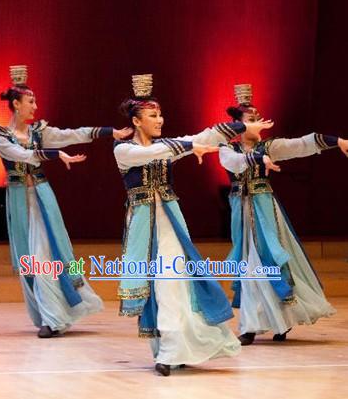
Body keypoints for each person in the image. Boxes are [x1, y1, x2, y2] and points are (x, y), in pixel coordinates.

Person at [113, 74, 271, 376]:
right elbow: (158, 152)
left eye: (160, 114)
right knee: (159, 286)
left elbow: (202, 138)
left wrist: (239, 128)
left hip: (171, 222)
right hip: (144, 227)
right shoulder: (124, 151)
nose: (160, 119)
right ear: (136, 121)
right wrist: (191, 145)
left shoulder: (166, 145)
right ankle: (167, 349)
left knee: (175, 284)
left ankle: (175, 349)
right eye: (153, 115)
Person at [0, 65, 132, 338]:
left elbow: (72, 134)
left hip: (43, 196)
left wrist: (107, 132)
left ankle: (54, 318)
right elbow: (22, 155)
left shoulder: (38, 132)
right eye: (31, 101)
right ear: (16, 105)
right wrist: (56, 156)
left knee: (49, 252)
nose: (35, 106)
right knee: (29, 257)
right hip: (20, 201)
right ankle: (46, 314)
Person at [218, 84, 346, 345]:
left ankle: (264, 323)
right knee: (248, 262)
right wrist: (257, 159)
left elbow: (300, 145)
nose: (258, 125)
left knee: (269, 259)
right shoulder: (227, 149)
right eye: (251, 121)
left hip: (265, 210)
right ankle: (252, 322)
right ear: (238, 125)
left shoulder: (270, 146)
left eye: (258, 119)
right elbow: (233, 164)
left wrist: (337, 141)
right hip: (241, 212)